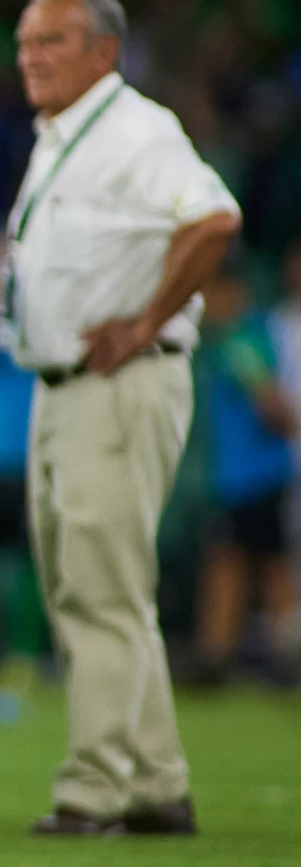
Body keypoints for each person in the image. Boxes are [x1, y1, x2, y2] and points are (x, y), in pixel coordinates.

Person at [4, 0, 240, 837]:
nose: (31, 56)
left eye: (52, 40)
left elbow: (213, 218)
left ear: (106, 48)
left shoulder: (137, 129)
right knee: (93, 587)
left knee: (100, 589)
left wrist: (144, 322)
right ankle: (154, 781)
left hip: (116, 382)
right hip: (65, 385)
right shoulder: (62, 133)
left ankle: (94, 788)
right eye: (26, 41)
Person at [190, 268, 296, 687]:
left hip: (254, 476)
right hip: (242, 477)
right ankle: (219, 655)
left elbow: (275, 406)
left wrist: (275, 411)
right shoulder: (231, 339)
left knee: (262, 569)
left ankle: (249, 658)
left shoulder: (241, 340)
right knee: (235, 563)